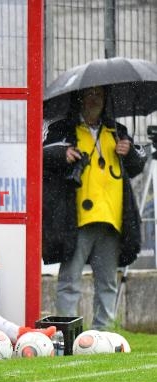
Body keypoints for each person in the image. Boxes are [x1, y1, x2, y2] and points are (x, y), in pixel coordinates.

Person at [43, 86, 147, 330]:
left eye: (99, 95)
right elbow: (42, 155)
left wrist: (129, 152)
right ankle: (66, 332)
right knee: (70, 280)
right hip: (77, 218)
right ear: (79, 99)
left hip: (112, 217)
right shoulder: (63, 130)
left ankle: (103, 333)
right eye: (89, 95)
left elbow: (137, 166)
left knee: (107, 282)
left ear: (105, 100)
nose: (94, 100)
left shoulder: (117, 131)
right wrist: (62, 153)